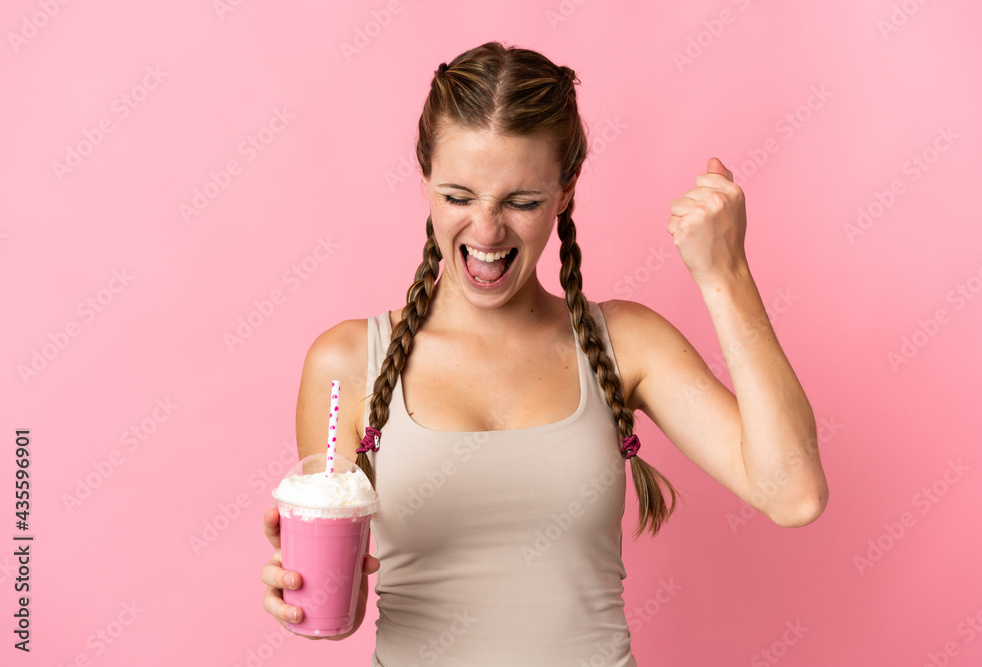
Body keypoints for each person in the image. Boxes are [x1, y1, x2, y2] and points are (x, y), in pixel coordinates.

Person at [261, 41, 828, 666]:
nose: (486, 230)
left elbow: (793, 493)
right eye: (458, 197)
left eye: (522, 202)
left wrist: (726, 275)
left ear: (565, 190)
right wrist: (302, 590)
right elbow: (337, 613)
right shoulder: (347, 363)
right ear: (423, 178)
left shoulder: (625, 343)